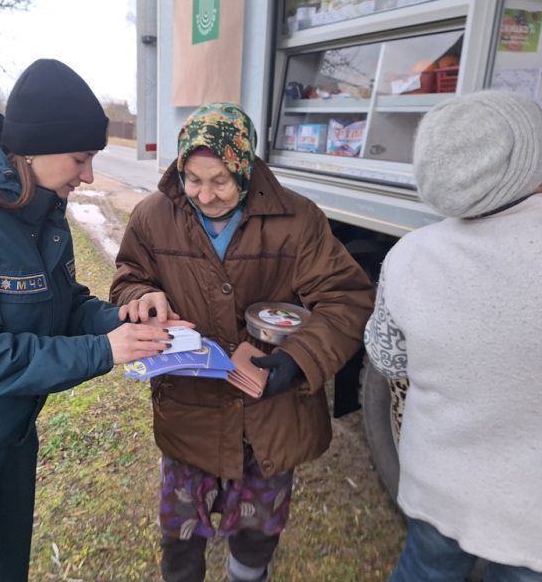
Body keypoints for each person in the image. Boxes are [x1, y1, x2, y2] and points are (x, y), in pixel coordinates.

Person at [0, 59, 176, 581]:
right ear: (36, 148)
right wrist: (108, 349)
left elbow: (62, 307)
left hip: (12, 430)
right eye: (81, 158)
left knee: (8, 567)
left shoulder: (34, 208)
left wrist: (124, 317)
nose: (88, 176)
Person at [110, 102, 374, 581]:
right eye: (193, 179)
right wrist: (141, 294)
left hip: (270, 405)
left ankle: (246, 574)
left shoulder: (298, 219)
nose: (205, 195)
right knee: (181, 529)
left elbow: (346, 298)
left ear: (246, 168)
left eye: (220, 181)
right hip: (190, 404)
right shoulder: (153, 216)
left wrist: (298, 358)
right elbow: (128, 275)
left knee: (258, 527)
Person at [364, 89, 542, 580]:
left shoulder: (410, 255)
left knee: (425, 569)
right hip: (531, 515)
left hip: (438, 484)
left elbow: (387, 358)